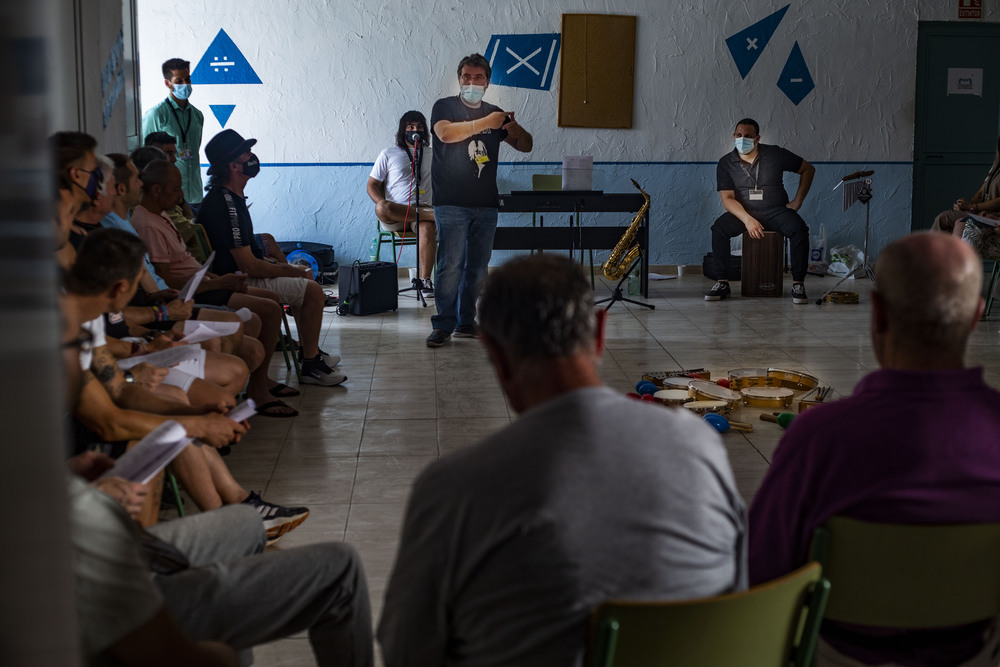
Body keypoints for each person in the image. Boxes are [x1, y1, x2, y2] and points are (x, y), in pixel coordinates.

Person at [378, 254, 746, 666]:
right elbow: (739, 591)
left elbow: (405, 652)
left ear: (495, 355)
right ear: (600, 334)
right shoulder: (700, 444)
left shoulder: (452, 488)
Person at [748, 232, 1000, 666]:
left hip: (836, 654)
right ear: (976, 315)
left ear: (877, 313)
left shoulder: (817, 438)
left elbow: (763, 578)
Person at [196, 128, 345, 386]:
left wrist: (282, 266)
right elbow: (247, 265)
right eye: (247, 154)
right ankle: (310, 365)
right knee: (311, 290)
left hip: (242, 274)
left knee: (304, 281)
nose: (253, 157)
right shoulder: (226, 204)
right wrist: (290, 270)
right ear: (233, 165)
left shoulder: (233, 197)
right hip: (237, 281)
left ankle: (310, 352)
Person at [425, 53, 533, 348]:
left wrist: (513, 128)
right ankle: (443, 325)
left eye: (478, 78)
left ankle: (465, 321)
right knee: (450, 266)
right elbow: (445, 134)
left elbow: (525, 146)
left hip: (486, 204)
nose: (471, 82)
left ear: (487, 82)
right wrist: (487, 121)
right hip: (450, 202)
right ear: (459, 79)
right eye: (466, 77)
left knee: (477, 268)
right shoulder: (445, 106)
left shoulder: (495, 112)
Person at [706, 118, 815, 304]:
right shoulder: (726, 162)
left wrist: (798, 200)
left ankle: (798, 283)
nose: (742, 139)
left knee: (799, 230)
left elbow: (808, 169)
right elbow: (727, 200)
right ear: (734, 136)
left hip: (776, 211)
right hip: (744, 213)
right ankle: (722, 283)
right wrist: (747, 219)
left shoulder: (775, 154)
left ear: (757, 138)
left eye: (748, 136)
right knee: (719, 229)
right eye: (739, 135)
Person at [368, 110, 436, 294]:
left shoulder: (433, 154)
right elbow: (372, 185)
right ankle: (434, 216)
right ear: (402, 130)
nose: (416, 130)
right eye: (411, 127)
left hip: (421, 212)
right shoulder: (388, 153)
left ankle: (425, 280)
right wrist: (382, 201)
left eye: (420, 127)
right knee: (381, 207)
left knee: (427, 227)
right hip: (395, 214)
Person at [142, 58, 205, 206]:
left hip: (195, 194)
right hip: (168, 196)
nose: (185, 85)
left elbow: (194, 151)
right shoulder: (156, 114)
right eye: (179, 81)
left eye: (187, 79)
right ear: (167, 83)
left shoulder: (197, 115)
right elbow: (145, 157)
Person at [931, 134, 1000, 261]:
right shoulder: (996, 167)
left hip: (993, 216)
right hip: (980, 212)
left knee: (961, 224)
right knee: (943, 218)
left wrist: (973, 206)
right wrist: (967, 205)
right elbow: (981, 190)